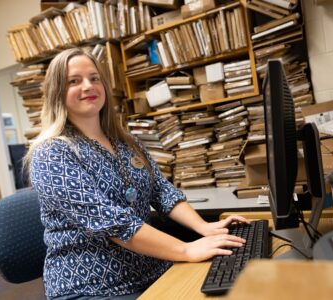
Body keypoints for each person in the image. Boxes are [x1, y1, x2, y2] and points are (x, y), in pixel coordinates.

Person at [25, 47, 249, 299]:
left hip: (150, 267)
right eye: (74, 81)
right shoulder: (52, 153)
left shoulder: (125, 142)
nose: (88, 86)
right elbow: (112, 223)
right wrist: (186, 250)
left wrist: (205, 228)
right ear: (58, 92)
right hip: (92, 286)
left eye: (94, 78)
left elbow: (162, 191)